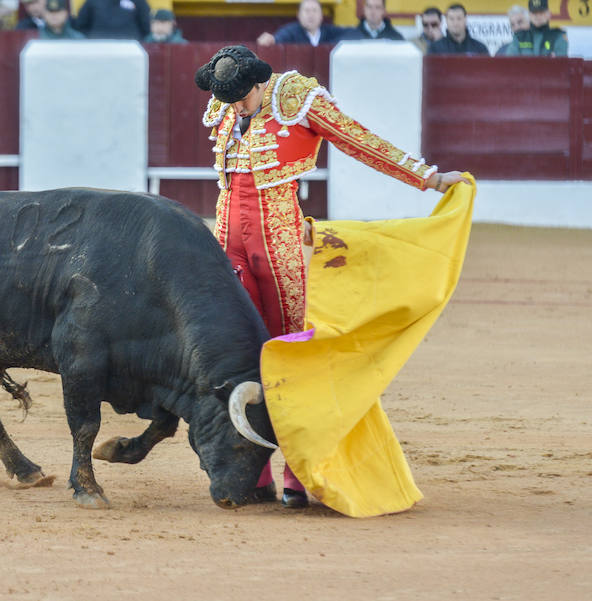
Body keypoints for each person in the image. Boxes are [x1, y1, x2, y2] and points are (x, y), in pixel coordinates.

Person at [194, 45, 466, 508]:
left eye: (242, 98)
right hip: (228, 247)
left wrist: (429, 178)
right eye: (229, 99)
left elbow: (360, 140)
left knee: (293, 354)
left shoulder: (298, 98)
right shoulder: (225, 101)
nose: (235, 107)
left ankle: (303, 473)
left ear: (261, 84)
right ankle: (250, 471)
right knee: (235, 356)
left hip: (280, 247)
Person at [256, 0, 349, 47]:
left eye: (315, 10)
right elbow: (277, 39)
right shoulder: (290, 31)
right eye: (307, 11)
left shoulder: (330, 31)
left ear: (321, 16)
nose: (311, 15)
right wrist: (271, 40)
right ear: (298, 15)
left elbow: (351, 33)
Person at [502, 0, 567, 56]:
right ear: (530, 15)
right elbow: (510, 64)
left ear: (549, 14)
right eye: (534, 13)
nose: (538, 16)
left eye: (541, 12)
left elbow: (560, 65)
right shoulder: (520, 37)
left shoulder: (557, 35)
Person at [74, 0, 151, 41]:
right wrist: (93, 38)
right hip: (99, 49)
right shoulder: (92, 1)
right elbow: (81, 25)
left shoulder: (139, 1)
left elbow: (146, 27)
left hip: (130, 49)